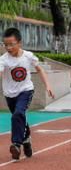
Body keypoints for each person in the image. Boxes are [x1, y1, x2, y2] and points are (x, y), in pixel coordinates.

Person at [2, 28, 55, 160]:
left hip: (26, 90)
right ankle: (26, 140)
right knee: (19, 117)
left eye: (11, 44)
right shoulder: (3, 59)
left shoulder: (28, 56)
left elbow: (40, 69)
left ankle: (16, 144)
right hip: (9, 94)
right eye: (5, 44)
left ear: (19, 43)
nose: (8, 47)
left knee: (18, 114)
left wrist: (47, 85)